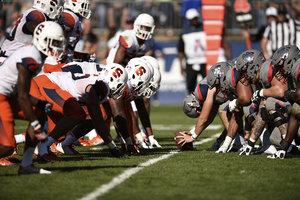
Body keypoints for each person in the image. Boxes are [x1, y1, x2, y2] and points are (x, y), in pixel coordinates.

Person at [0, 21, 65, 173]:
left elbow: (20, 91)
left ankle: (26, 164)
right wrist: (35, 126)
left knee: (40, 112)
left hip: (8, 94)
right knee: (7, 147)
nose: (58, 45)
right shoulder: (32, 57)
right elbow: (22, 97)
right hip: (2, 96)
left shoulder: (36, 54)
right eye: (55, 41)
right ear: (43, 40)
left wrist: (37, 103)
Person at [214, 49, 266, 153]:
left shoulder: (267, 71)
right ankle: (267, 143)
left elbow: (280, 93)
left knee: (264, 106)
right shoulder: (248, 77)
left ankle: (270, 143)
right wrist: (226, 144)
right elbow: (237, 114)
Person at [43, 0, 95, 73]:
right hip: (57, 65)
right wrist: (62, 51)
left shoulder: (71, 16)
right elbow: (61, 27)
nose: (85, 8)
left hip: (56, 63)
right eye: (83, 5)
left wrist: (82, 56)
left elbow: (69, 50)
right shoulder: (70, 15)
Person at [178, 8, 206, 94]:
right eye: (191, 19)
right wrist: (181, 66)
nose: (194, 20)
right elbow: (181, 51)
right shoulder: (184, 32)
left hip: (204, 61)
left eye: (195, 18)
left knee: (208, 83)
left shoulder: (205, 29)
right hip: (191, 61)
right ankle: (191, 104)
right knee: (190, 85)